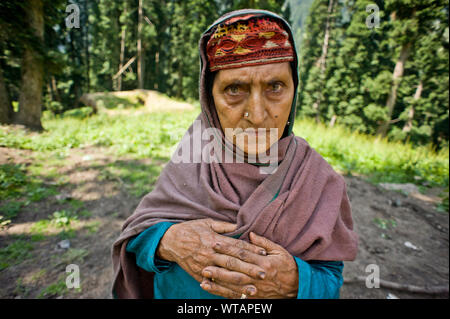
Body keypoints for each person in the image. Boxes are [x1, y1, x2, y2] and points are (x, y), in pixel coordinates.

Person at [111, 9, 358, 299]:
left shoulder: (317, 179)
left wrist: (294, 282)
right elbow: (137, 238)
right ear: (209, 98)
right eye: (234, 89)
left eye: (275, 87)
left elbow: (330, 279)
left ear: (294, 90)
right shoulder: (192, 158)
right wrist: (169, 241)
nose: (256, 114)